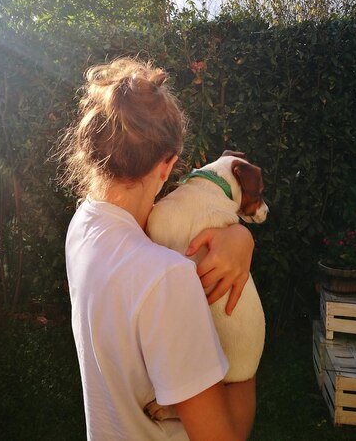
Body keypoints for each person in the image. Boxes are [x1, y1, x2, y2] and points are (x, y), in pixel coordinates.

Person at [61, 57, 256, 440]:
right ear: (167, 166)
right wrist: (246, 369)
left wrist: (240, 235)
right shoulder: (167, 277)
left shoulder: (83, 225)